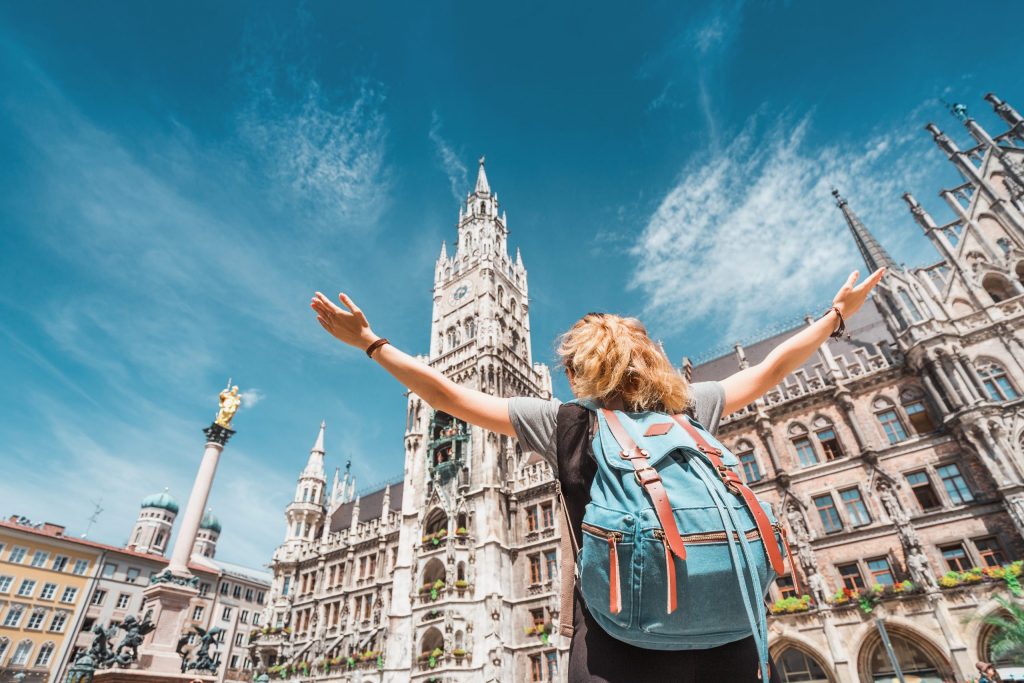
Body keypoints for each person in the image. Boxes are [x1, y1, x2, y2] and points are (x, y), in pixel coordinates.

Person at [310, 266, 885, 683]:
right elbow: (771, 369)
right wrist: (835, 316)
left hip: (617, 638)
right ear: (653, 360)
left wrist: (369, 342)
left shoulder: (564, 423)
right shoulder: (691, 408)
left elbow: (450, 396)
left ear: (575, 370)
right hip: (727, 633)